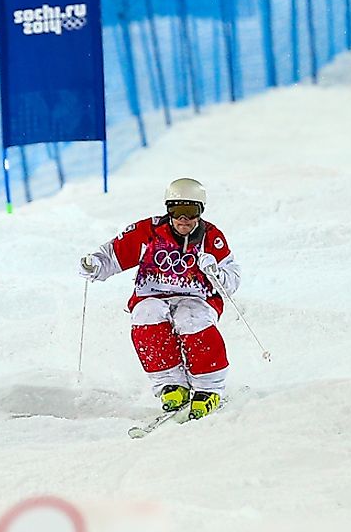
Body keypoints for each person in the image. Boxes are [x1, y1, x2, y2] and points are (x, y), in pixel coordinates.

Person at [78, 178, 241, 419]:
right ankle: (171, 383)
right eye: (176, 211)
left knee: (191, 318)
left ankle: (209, 388)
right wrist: (95, 265)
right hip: (151, 294)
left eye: (190, 212)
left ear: (200, 212)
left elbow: (233, 280)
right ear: (168, 211)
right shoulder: (148, 232)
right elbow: (113, 255)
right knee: (147, 315)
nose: (183, 219)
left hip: (197, 297)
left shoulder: (211, 237)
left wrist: (216, 271)